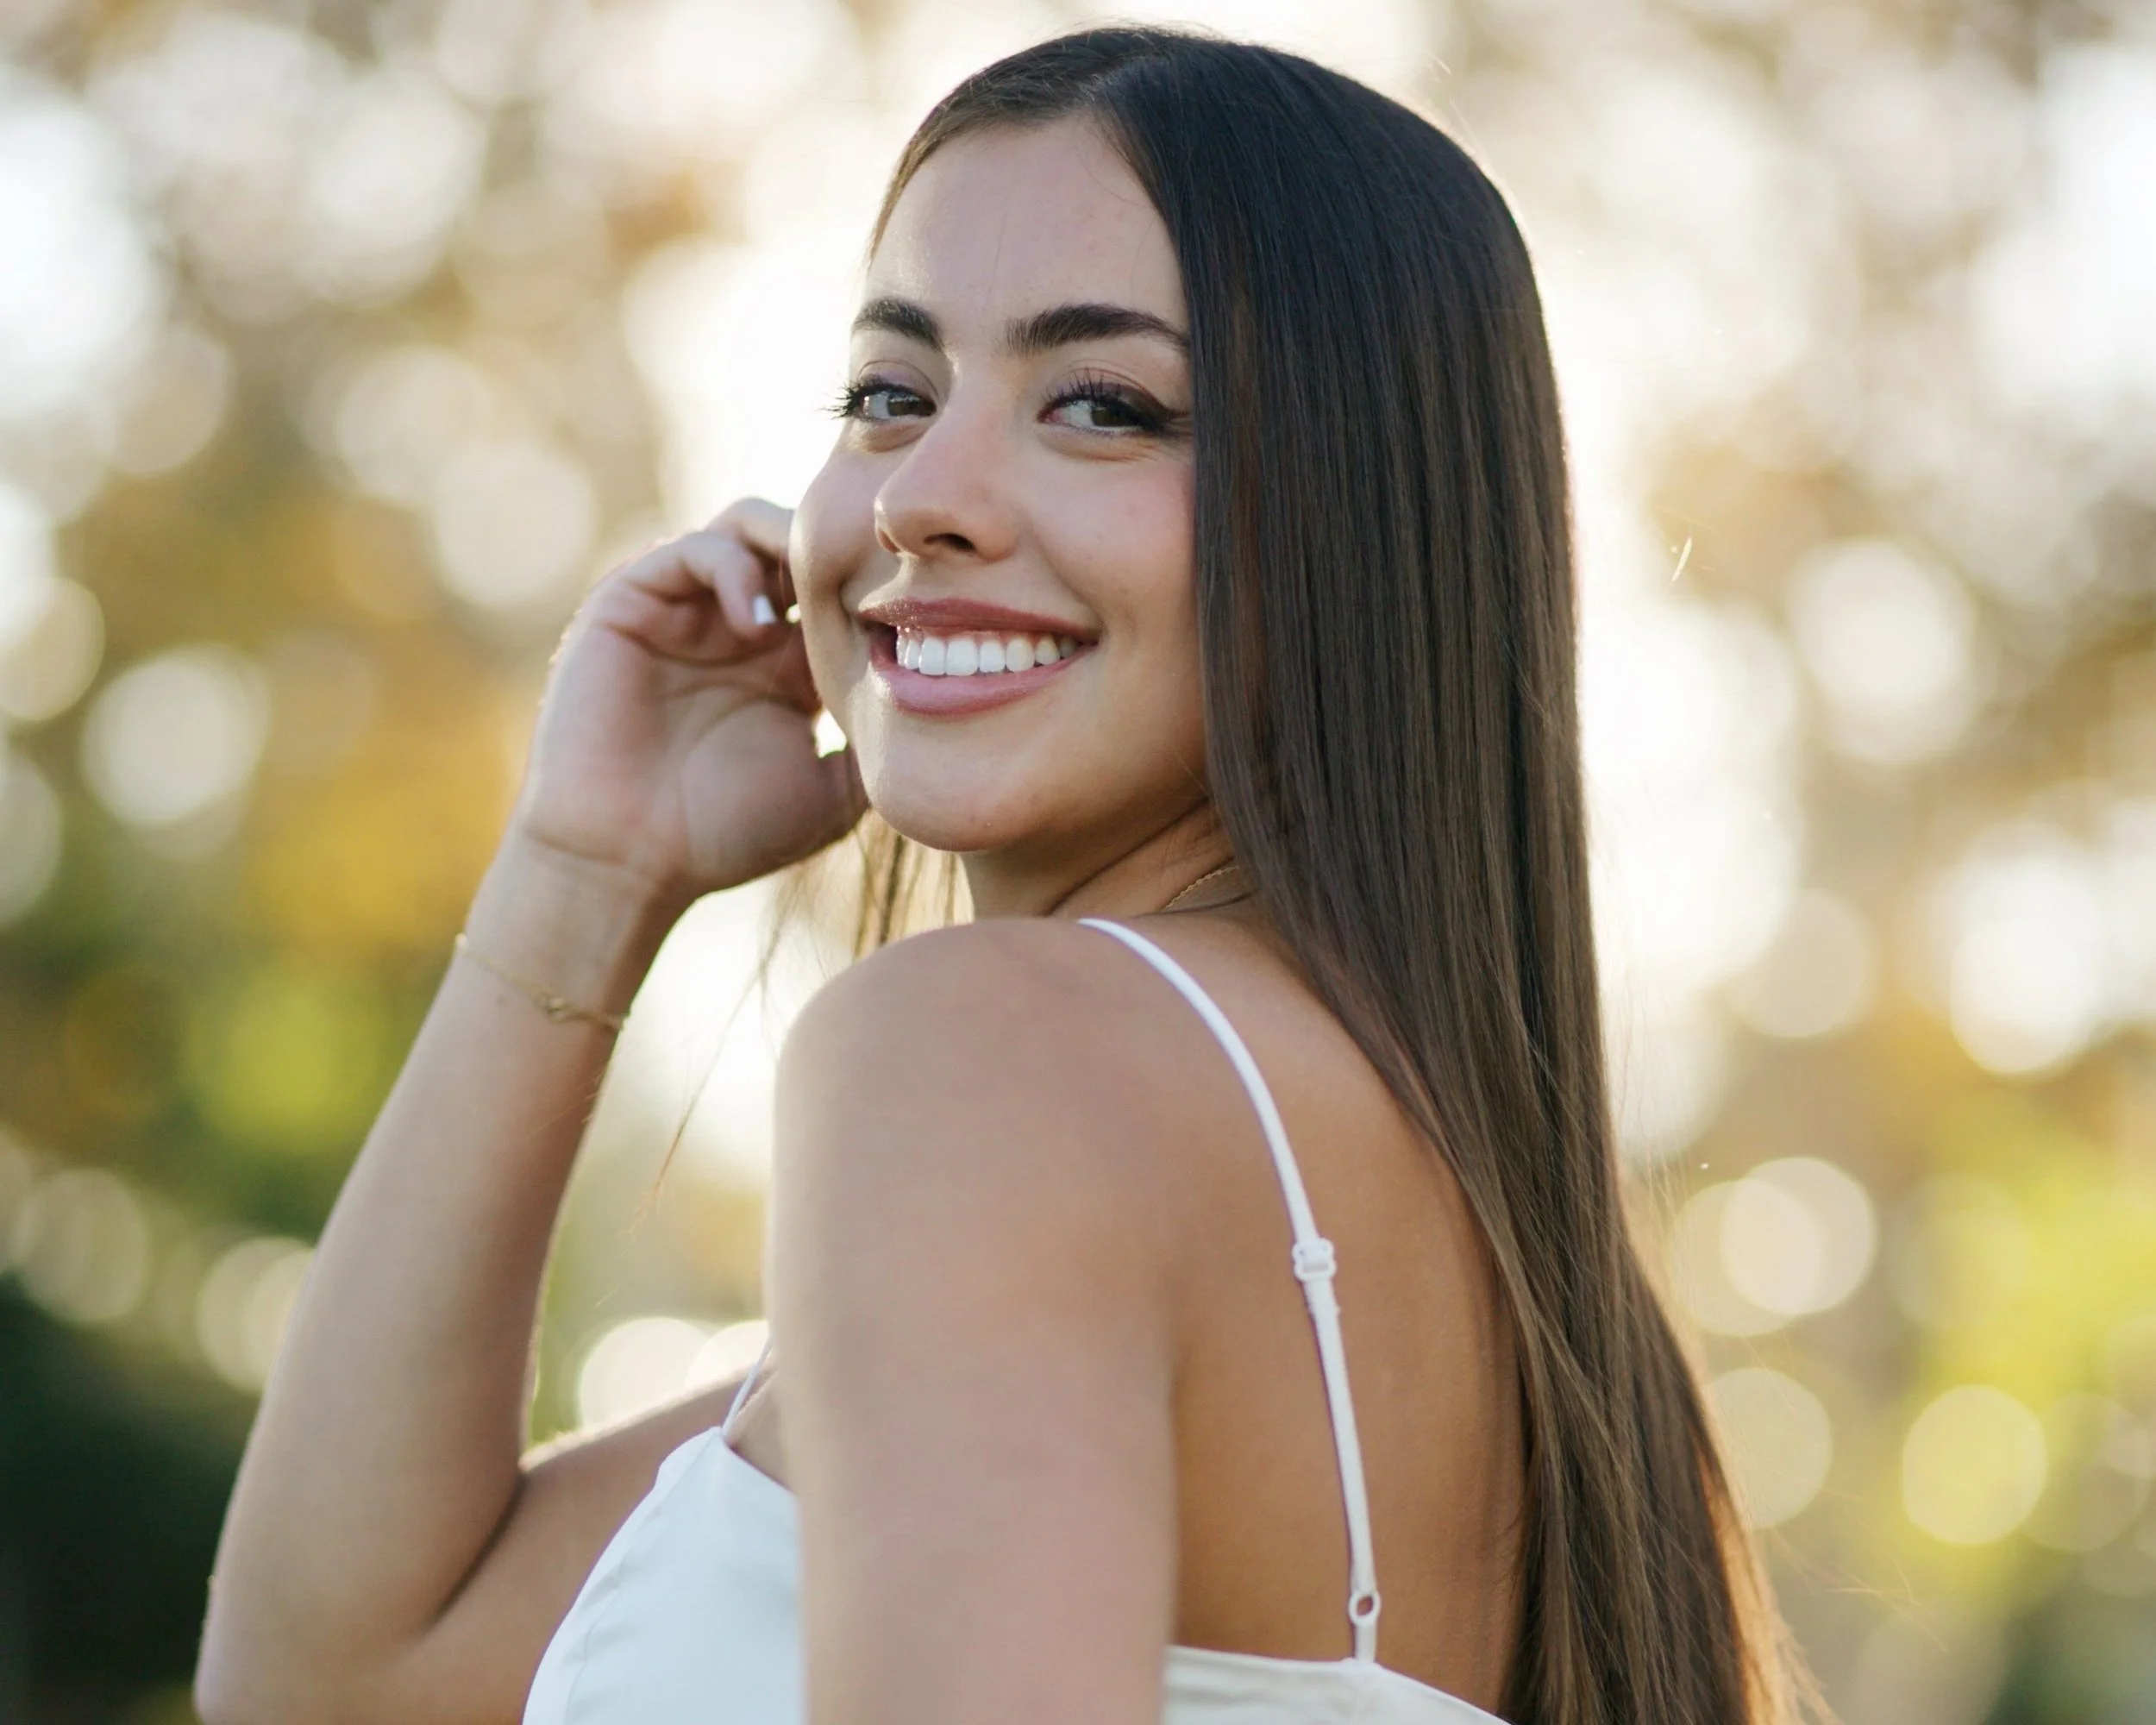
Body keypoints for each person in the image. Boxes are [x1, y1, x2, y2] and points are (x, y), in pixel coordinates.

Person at [195, 28, 1806, 1725]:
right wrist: (582, 869)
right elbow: (342, 1671)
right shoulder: (1542, 1310)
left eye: (1102, 407)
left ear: (1361, 517)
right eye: (891, 392)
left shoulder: (990, 1060)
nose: (918, 498)